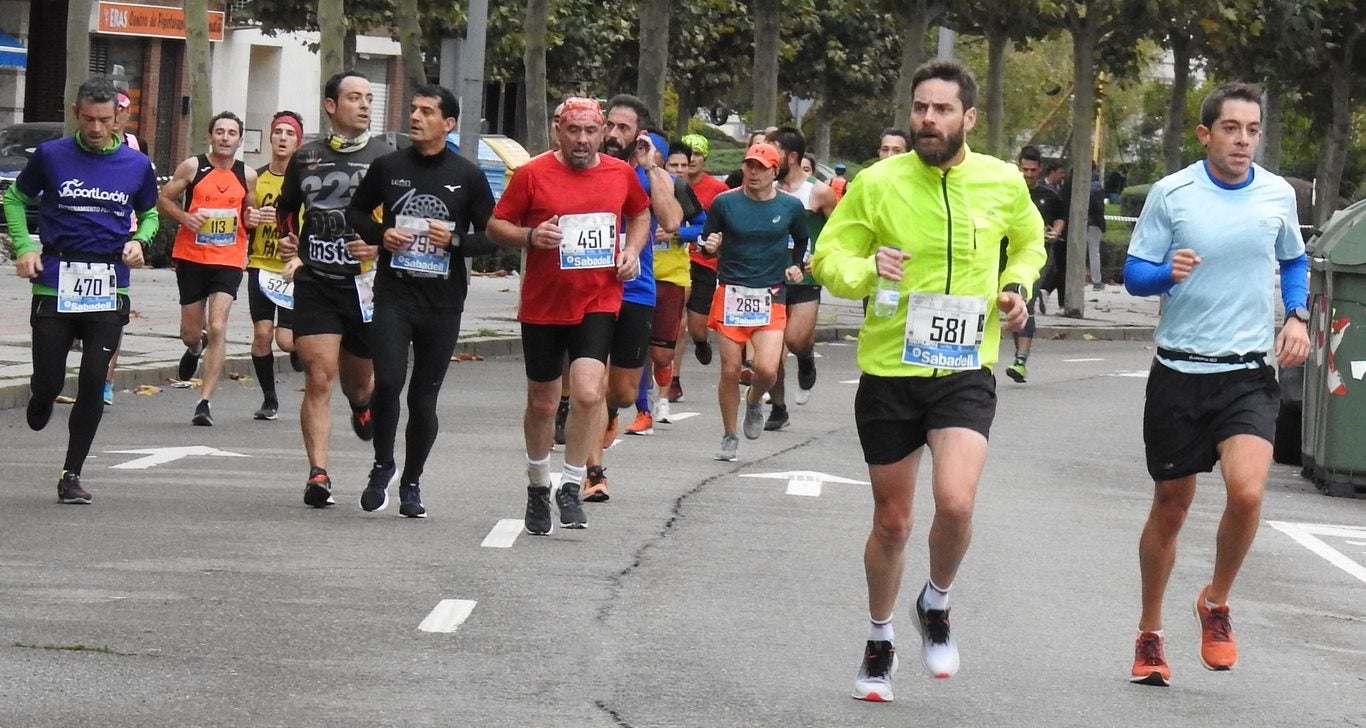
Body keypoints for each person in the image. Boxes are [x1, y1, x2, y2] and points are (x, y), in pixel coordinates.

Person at [810, 59, 1044, 702]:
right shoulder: (878, 182)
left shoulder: (999, 181)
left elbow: (1028, 244)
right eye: (921, 107)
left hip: (964, 365)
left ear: (968, 118)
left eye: (942, 109)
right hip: (889, 368)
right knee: (892, 522)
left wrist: (1016, 287)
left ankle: (936, 601)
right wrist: (867, 269)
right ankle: (880, 637)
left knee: (957, 501)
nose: (928, 119)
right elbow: (828, 257)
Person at [1123, 82, 1308, 688]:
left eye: (1253, 130)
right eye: (1232, 129)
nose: (1244, 140)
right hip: (1179, 370)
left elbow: (1294, 259)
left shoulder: (1277, 195)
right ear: (1206, 134)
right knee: (1171, 507)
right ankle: (1150, 632)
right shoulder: (1172, 193)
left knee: (1248, 492)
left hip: (1247, 371)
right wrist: (1163, 273)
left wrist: (1299, 315)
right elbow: (1133, 274)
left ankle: (1216, 603)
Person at [486, 97, 649, 535]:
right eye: (573, 131)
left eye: (590, 132)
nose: (582, 140)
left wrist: (632, 250)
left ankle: (572, 485)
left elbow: (640, 212)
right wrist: (529, 235)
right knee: (542, 402)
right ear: (559, 132)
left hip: (598, 299)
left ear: (602, 134)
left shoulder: (620, 174)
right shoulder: (532, 174)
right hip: (543, 305)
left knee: (590, 392)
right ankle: (539, 487)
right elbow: (496, 224)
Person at [2, 75, 159, 504]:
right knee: (50, 381)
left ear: (117, 118)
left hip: (109, 282)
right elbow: (14, 199)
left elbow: (150, 214)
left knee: (93, 378)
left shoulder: (135, 165)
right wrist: (23, 246)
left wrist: (139, 242)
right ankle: (41, 394)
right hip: (54, 281)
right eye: (88, 119)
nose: (95, 129)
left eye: (104, 120)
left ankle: (71, 474)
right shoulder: (52, 156)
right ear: (76, 114)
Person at [347, 85, 496, 518]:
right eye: (413, 109)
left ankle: (411, 481)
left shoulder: (466, 174)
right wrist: (380, 236)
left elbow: (492, 236)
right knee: (389, 382)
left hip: (443, 302)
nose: (415, 117)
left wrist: (454, 241)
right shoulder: (388, 166)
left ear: (447, 124)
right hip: (394, 294)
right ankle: (382, 466)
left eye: (427, 111)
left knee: (423, 399)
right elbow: (356, 212)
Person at [276, 70, 395, 508]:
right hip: (317, 281)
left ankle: (363, 407)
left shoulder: (386, 159)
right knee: (318, 376)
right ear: (331, 106)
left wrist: (380, 241)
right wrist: (290, 238)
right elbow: (287, 208)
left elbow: (402, 222)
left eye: (369, 98)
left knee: (358, 384)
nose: (364, 105)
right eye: (354, 98)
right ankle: (318, 474)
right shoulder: (306, 158)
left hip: (364, 286)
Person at [584, 97, 681, 500]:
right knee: (591, 382)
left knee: (622, 392)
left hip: (635, 288)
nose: (613, 135)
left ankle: (609, 414)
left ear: (638, 134)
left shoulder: (648, 173)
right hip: (590, 286)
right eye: (611, 125)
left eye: (625, 128)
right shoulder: (587, 163)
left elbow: (672, 221)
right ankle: (593, 472)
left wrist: (652, 166)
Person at [698, 143, 807, 462]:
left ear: (775, 171)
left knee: (767, 369)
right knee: (731, 369)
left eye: (761, 167)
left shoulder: (789, 207)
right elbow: (706, 243)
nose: (753, 172)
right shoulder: (725, 203)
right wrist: (710, 246)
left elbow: (801, 240)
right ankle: (730, 434)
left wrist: (796, 265)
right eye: (749, 166)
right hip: (731, 292)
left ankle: (756, 399)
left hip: (771, 295)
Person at [159, 111, 259, 426]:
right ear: (210, 136)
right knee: (191, 332)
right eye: (220, 132)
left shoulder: (248, 174)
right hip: (191, 257)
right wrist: (185, 217)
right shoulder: (193, 167)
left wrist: (252, 219)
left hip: (228, 259)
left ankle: (205, 401)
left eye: (232, 133)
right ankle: (194, 348)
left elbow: (249, 212)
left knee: (217, 325)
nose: (225, 138)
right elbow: (163, 199)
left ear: (240, 140)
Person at [766, 126, 836, 428]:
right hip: (770, 277)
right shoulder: (765, 187)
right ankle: (778, 408)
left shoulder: (818, 191)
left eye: (775, 151)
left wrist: (820, 257)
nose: (768, 157)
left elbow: (841, 230)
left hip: (805, 278)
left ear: (792, 157)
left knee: (795, 341)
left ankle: (806, 358)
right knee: (773, 349)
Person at [245, 111, 304, 420]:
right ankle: (269, 399)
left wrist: (299, 245)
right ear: (270, 138)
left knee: (286, 340)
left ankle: (296, 350)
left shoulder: (306, 181)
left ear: (299, 141)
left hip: (292, 267)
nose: (282, 138)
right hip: (260, 264)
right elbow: (245, 218)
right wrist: (251, 219)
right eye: (278, 132)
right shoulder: (256, 177)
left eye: (289, 133)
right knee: (263, 335)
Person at [101, 90, 150, 406]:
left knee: (114, 312)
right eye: (115, 109)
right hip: (89, 234)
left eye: (124, 110)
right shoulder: (87, 145)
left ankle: (106, 379)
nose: (119, 115)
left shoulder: (135, 147)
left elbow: (147, 198)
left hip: (124, 235)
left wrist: (140, 239)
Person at [1004, 145, 1066, 384]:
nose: (1028, 174)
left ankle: (1020, 361)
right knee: (1011, 304)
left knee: (1024, 300)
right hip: (1006, 255)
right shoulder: (1008, 192)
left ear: (1039, 169)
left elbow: (1060, 217)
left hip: (1037, 258)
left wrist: (1055, 232)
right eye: (1024, 169)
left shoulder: (1049, 195)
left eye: (1032, 170)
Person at [681, 133, 729, 376]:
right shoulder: (668, 182)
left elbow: (725, 224)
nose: (691, 159)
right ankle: (672, 380)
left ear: (705, 158)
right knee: (675, 322)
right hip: (675, 260)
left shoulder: (718, 190)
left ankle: (700, 341)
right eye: (687, 153)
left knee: (697, 327)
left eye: (697, 153)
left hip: (703, 262)